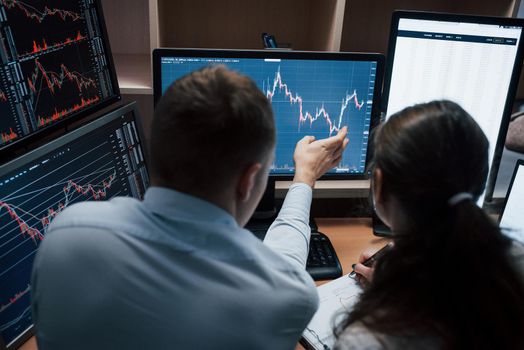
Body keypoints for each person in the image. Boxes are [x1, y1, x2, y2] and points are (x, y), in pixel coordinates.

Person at [31, 65, 349, 349]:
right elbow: (284, 271)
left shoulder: (65, 235)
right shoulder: (286, 298)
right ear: (248, 180)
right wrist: (304, 178)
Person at [334, 100, 524, 350]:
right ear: (478, 178)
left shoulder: (368, 339)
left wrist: (386, 294)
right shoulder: (515, 262)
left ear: (379, 185)